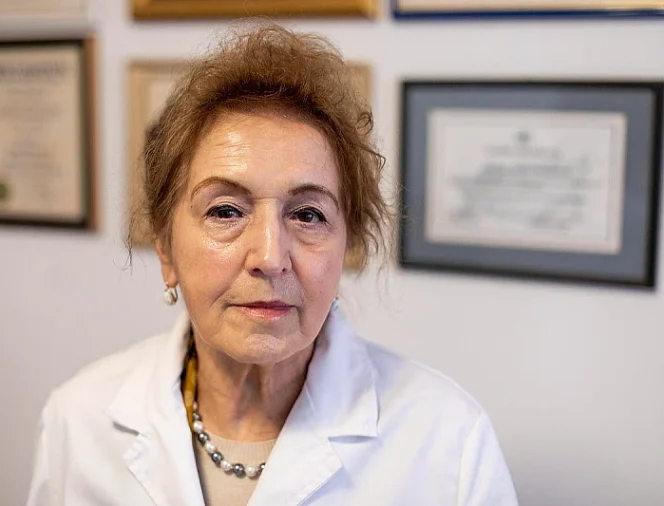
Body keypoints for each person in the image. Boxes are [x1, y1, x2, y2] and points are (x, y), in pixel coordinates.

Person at [27, 23, 519, 506]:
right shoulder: (78, 421)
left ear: (347, 247)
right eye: (225, 211)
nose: (269, 257)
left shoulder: (449, 443)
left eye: (307, 215)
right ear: (165, 250)